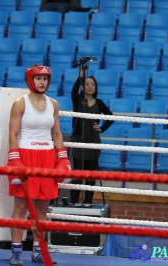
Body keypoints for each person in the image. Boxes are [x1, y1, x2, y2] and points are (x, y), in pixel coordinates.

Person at [7, 64, 70, 265]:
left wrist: (63, 158)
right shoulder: (20, 103)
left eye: (45, 79)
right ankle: (16, 251)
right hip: (25, 156)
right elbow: (13, 133)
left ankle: (38, 250)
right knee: (21, 207)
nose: (42, 82)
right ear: (30, 80)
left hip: (47, 157)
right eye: (38, 79)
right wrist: (14, 158)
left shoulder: (53, 104)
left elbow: (57, 133)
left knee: (42, 207)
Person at [69, 65, 114, 206]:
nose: (90, 87)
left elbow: (110, 117)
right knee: (77, 175)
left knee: (90, 175)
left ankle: (88, 202)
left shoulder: (99, 103)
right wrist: (81, 76)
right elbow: (73, 91)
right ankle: (74, 203)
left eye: (93, 84)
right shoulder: (78, 101)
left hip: (93, 141)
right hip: (78, 140)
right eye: (87, 84)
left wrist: (101, 129)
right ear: (83, 87)